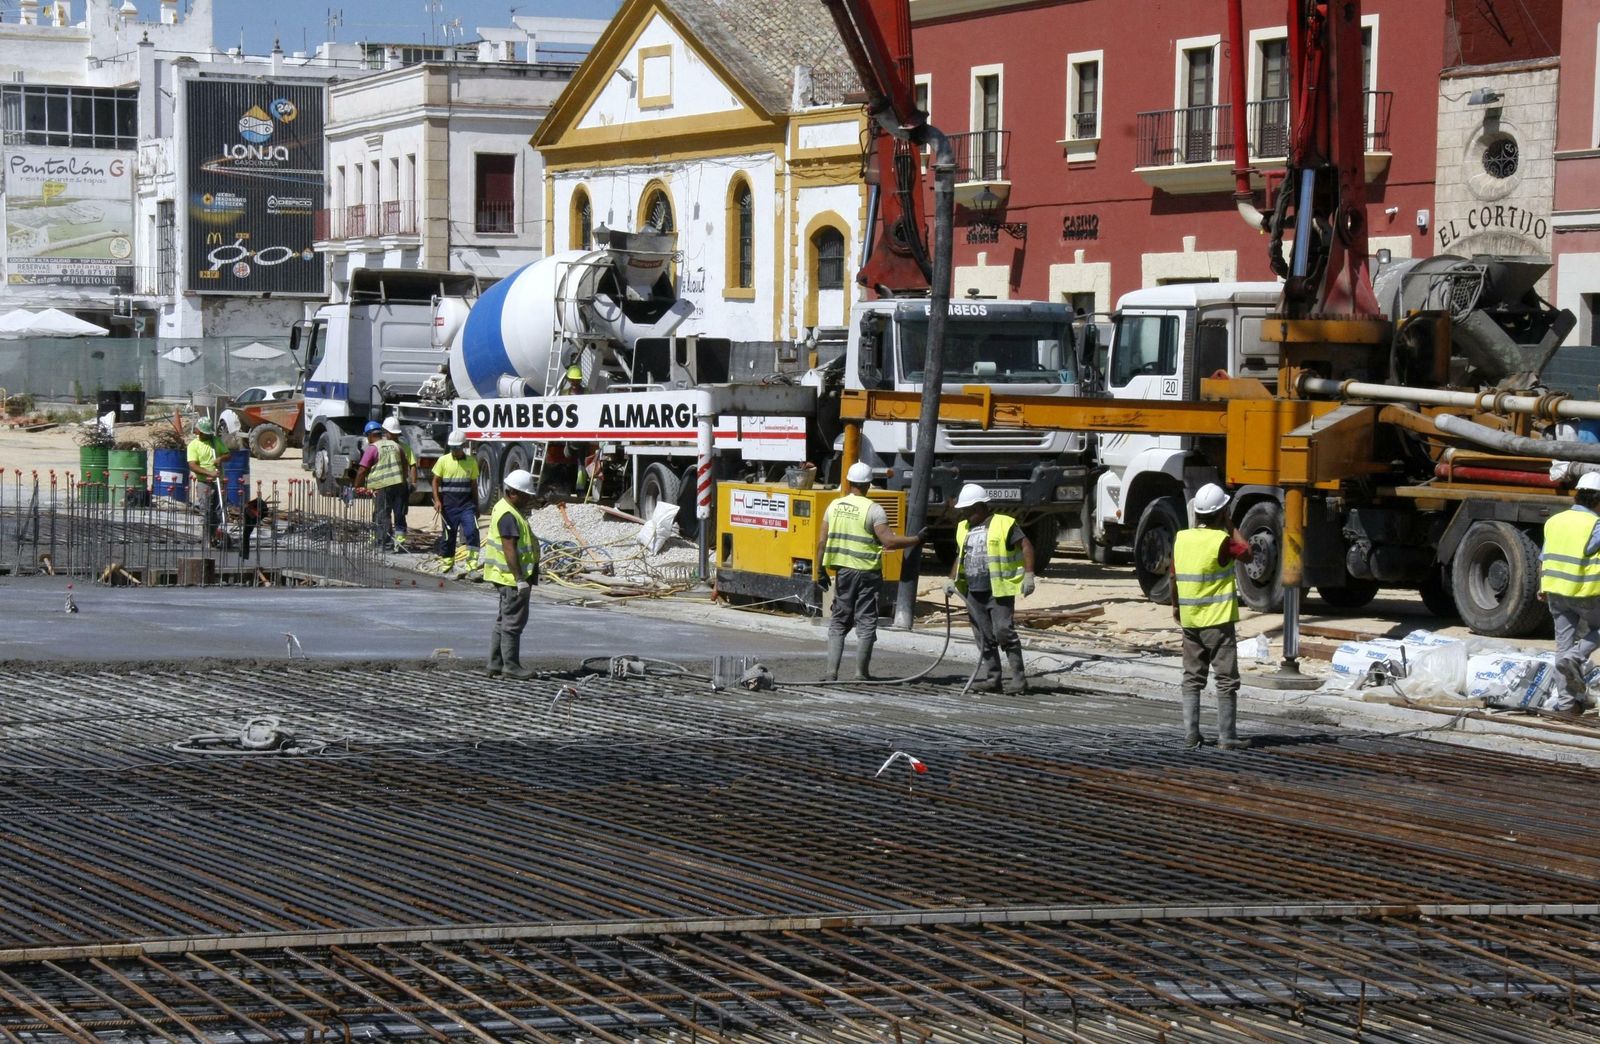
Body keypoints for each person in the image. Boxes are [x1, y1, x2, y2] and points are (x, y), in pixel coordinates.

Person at [815, 461, 926, 680]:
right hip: (867, 573)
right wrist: (917, 539)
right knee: (866, 620)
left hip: (844, 572)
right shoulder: (874, 509)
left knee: (839, 620)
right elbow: (889, 541)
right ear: (868, 484)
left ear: (849, 482)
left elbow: (821, 543)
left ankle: (831, 672)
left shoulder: (834, 506)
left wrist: (819, 570)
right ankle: (860, 673)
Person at [1170, 482, 1255, 750]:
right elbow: (1248, 553)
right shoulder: (1222, 541)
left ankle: (1191, 735)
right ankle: (1227, 737)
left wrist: (1176, 606)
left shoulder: (1182, 538)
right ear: (1222, 512)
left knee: (1192, 678)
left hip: (1190, 620)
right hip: (1218, 622)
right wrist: (1230, 524)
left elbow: (1173, 577)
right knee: (1226, 679)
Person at [946, 483, 1036, 693]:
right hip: (973, 592)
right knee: (983, 635)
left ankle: (1019, 679)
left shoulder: (1004, 523)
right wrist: (951, 579)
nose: (965, 514)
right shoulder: (963, 527)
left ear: (980, 507)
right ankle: (993, 678)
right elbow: (960, 556)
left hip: (998, 590)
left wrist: (1029, 574)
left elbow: (1026, 545)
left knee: (1003, 631)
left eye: (968, 510)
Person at [1539, 471, 1600, 713]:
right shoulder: (1595, 525)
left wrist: (1542, 586)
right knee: (1572, 652)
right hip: (1584, 592)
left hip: (1556, 592)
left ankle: (1567, 706)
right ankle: (1576, 656)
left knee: (1562, 646)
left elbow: (1544, 557)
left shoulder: (1554, 521)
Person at [483, 468, 541, 679]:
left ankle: (495, 664)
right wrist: (520, 579)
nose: (528, 500)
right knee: (513, 623)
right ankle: (511, 666)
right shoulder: (508, 514)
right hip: (511, 578)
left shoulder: (505, 508)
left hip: (504, 576)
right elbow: (510, 548)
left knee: (504, 620)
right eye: (525, 496)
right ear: (513, 492)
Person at [432, 430, 481, 572]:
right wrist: (437, 500)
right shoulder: (443, 461)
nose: (454, 450)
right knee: (449, 535)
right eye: (452, 447)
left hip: (467, 506)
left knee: (472, 532)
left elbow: (474, 485)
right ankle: (447, 564)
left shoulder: (471, 462)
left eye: (457, 447)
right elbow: (435, 481)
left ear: (464, 446)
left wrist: (476, 506)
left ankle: (471, 566)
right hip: (448, 507)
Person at [353, 419, 405, 550]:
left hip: (383, 486)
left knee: (382, 514)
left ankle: (383, 543)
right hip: (399, 484)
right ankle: (396, 543)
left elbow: (362, 470)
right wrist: (403, 480)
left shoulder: (373, 448)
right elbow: (405, 464)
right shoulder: (396, 446)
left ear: (370, 435)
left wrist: (357, 486)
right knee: (398, 513)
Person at [185, 416, 231, 547]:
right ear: (199, 432)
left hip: (219, 482)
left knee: (218, 511)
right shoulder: (193, 445)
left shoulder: (215, 441)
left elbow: (228, 455)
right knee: (206, 511)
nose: (208, 435)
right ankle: (206, 539)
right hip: (204, 483)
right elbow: (193, 466)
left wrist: (221, 459)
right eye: (206, 433)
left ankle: (213, 535)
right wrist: (209, 473)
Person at [383, 416, 416, 548]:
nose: (394, 436)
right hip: (384, 484)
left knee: (399, 513)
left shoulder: (404, 447)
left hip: (400, 486)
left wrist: (413, 482)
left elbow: (412, 465)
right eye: (392, 433)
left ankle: (399, 540)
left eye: (396, 434)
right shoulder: (381, 447)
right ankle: (383, 538)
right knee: (383, 513)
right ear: (386, 432)